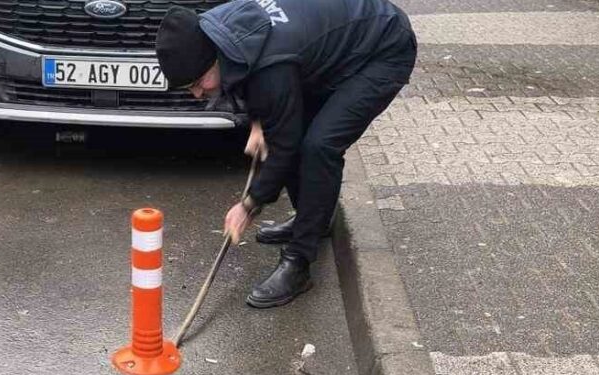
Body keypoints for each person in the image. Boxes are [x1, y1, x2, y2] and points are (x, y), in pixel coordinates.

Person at [155, 0, 417, 308]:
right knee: (294, 130)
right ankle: (311, 218)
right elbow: (248, 77)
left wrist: (249, 204)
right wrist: (257, 120)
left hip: (384, 47)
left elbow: (285, 146)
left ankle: (298, 263)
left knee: (319, 145)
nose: (198, 94)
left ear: (213, 58)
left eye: (199, 83)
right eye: (189, 88)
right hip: (327, 47)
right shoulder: (216, 29)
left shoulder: (272, 65)